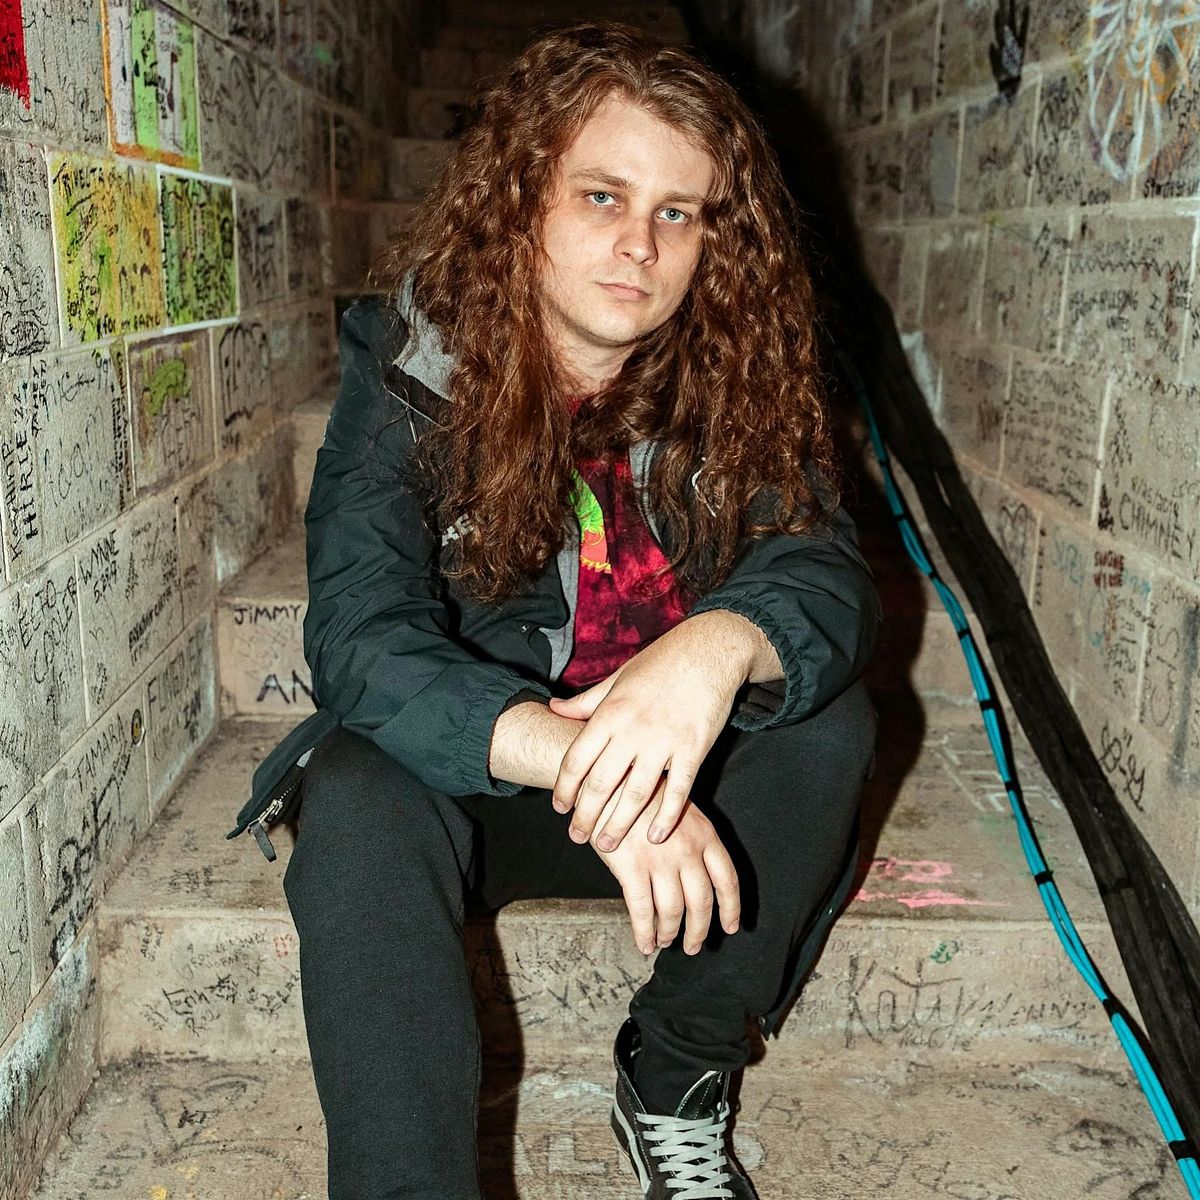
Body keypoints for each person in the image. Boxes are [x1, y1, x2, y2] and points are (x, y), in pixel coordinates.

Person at [266, 20, 881, 1200]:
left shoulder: (743, 372)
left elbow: (826, 572)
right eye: (602, 195)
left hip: (693, 822)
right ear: (522, 200)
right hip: (495, 784)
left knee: (826, 720)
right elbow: (359, 633)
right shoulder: (412, 368)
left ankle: (675, 1072)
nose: (638, 245)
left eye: (678, 213)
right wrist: (581, 759)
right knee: (353, 791)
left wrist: (714, 649)